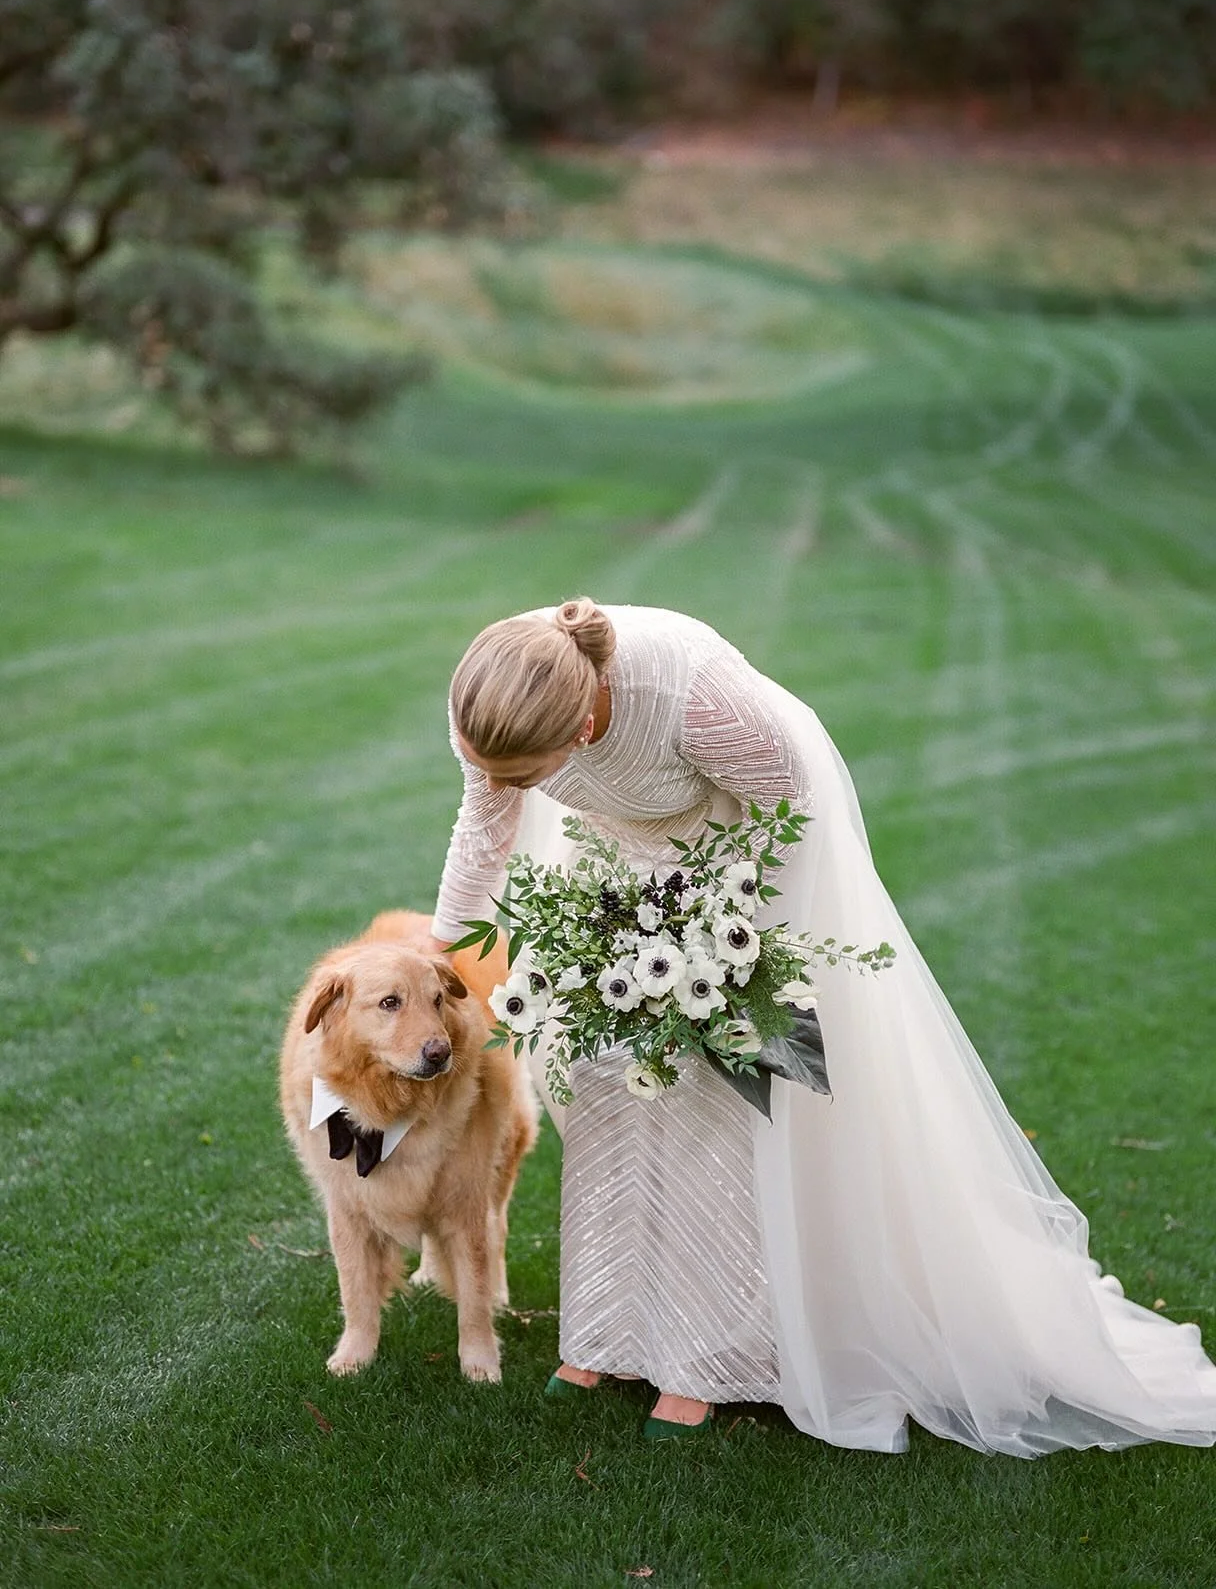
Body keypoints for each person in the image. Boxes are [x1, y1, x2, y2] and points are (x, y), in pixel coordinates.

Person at [418, 597, 1216, 1453]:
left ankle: (707, 1359)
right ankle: (607, 1334)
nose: (500, 785)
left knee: (707, 1098)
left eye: (521, 773)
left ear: (580, 730)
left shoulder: (694, 703)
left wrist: (707, 945)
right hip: (615, 868)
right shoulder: (492, 697)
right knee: (603, 1078)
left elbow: (789, 817)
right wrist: (441, 956)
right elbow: (484, 829)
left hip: (743, 863)